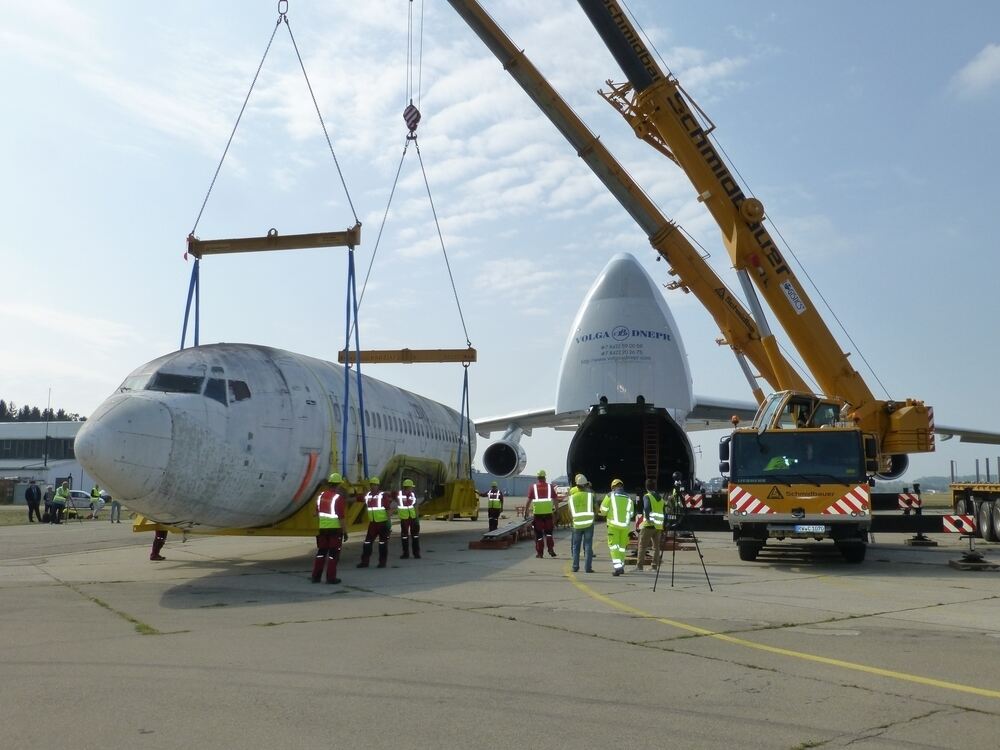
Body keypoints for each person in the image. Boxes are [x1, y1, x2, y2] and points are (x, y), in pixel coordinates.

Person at [312, 473, 348, 584]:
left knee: (321, 553)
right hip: (335, 530)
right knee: (333, 555)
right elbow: (341, 518)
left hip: (323, 529)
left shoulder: (321, 496)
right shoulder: (338, 498)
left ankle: (316, 577)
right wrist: (345, 532)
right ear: (338, 485)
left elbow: (315, 513)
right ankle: (331, 578)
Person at [598, 479, 633, 576]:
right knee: (622, 547)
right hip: (625, 527)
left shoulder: (610, 495)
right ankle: (621, 565)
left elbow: (603, 510)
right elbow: (631, 513)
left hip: (613, 526)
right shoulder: (629, 497)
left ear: (613, 487)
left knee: (614, 547)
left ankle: (618, 568)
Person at [358, 477, 391, 568]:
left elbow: (388, 510)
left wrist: (388, 523)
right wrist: (346, 499)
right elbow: (358, 498)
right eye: (372, 485)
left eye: (375, 485)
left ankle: (382, 563)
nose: (373, 487)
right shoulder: (368, 495)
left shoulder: (382, 496)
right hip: (373, 524)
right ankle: (365, 562)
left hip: (382, 523)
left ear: (378, 486)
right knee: (367, 543)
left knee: (382, 544)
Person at [524, 469, 558, 558]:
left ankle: (540, 553)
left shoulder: (533, 487)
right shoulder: (550, 487)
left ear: (538, 478)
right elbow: (555, 499)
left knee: (538, 534)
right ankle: (551, 549)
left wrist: (526, 511)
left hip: (538, 515)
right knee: (549, 533)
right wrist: (556, 510)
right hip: (548, 514)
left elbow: (529, 500)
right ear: (545, 477)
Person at [567, 474, 595, 573]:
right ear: (585, 485)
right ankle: (588, 568)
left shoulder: (572, 497)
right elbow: (595, 508)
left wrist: (573, 520)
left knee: (575, 547)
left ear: (577, 485)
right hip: (589, 524)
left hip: (577, 524)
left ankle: (575, 567)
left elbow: (570, 512)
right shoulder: (590, 495)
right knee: (588, 546)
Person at [636, 479, 665, 571]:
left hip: (648, 525)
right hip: (659, 526)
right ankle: (654, 566)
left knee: (642, 546)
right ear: (655, 487)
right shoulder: (660, 498)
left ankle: (639, 566)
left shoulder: (647, 496)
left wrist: (648, 518)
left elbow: (646, 507)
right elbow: (664, 511)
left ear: (646, 487)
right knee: (656, 547)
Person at [396, 478, 421, 559]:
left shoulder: (401, 494)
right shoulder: (410, 494)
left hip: (407, 518)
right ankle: (415, 554)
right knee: (412, 536)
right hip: (410, 518)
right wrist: (417, 517)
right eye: (411, 487)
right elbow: (416, 506)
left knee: (407, 536)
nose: (412, 488)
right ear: (409, 487)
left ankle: (406, 554)